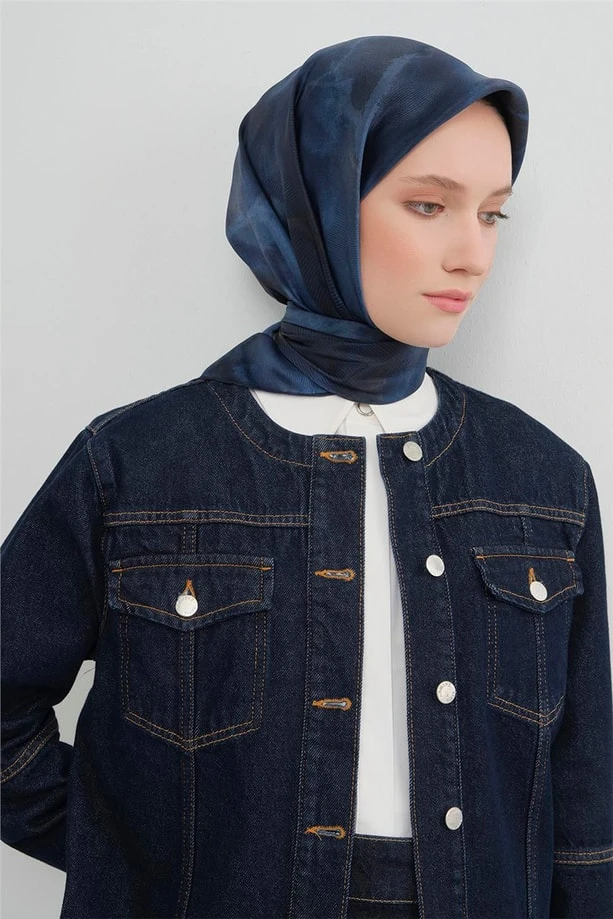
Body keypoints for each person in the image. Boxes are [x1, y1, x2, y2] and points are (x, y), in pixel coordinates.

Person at [1, 34, 611, 919]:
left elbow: (583, 797)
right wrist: (126, 855)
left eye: (492, 215)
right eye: (428, 205)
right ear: (313, 201)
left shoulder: (543, 481)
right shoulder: (135, 464)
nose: (472, 255)